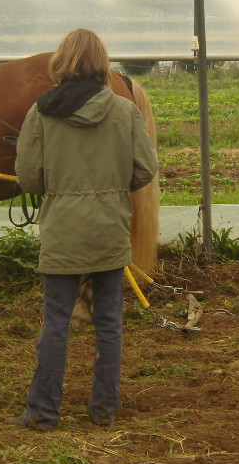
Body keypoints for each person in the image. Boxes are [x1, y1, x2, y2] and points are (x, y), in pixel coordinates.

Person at [11, 29, 159, 431]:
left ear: (62, 62)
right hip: (110, 230)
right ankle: (103, 409)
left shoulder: (40, 113)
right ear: (101, 64)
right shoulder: (125, 111)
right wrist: (112, 185)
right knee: (109, 320)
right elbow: (146, 169)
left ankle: (42, 412)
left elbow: (28, 178)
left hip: (63, 232)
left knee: (56, 321)